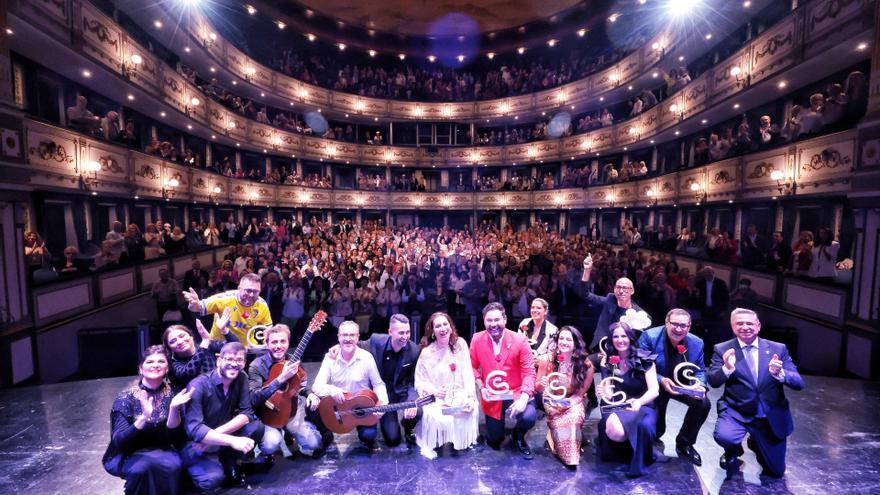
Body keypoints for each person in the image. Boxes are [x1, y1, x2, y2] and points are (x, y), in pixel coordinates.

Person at [709, 308, 804, 478]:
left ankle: (756, 442)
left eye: (749, 323)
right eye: (739, 323)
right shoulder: (722, 349)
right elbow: (713, 381)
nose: (745, 326)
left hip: (769, 416)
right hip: (737, 411)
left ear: (758, 326)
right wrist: (727, 368)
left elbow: (798, 383)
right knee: (725, 436)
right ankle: (733, 449)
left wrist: (780, 374)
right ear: (732, 326)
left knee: (775, 472)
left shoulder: (778, 349)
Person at [102, 346, 192, 495]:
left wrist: (174, 409)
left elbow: (177, 438)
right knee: (142, 468)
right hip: (131, 452)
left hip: (165, 449)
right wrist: (143, 418)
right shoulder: (126, 398)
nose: (155, 365)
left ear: (167, 368)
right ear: (141, 369)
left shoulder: (176, 393)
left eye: (161, 361)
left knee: (173, 466)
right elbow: (119, 442)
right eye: (150, 362)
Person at [181, 342, 265, 490]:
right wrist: (231, 440)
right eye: (229, 359)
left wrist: (217, 437)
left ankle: (229, 460)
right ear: (219, 360)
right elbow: (194, 430)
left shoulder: (242, 378)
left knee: (256, 427)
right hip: (197, 445)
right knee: (213, 481)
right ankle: (191, 472)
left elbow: (247, 413)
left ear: (244, 362)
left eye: (239, 360)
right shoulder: (198, 385)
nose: (234, 364)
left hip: (215, 438)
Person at [637, 309, 710, 466]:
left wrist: (700, 386)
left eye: (683, 325)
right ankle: (654, 439)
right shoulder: (649, 337)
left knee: (703, 404)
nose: (678, 329)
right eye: (675, 324)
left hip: (681, 386)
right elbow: (641, 365)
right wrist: (661, 380)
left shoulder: (697, 343)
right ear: (666, 322)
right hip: (655, 385)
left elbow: (700, 371)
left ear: (689, 326)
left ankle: (685, 443)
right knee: (657, 429)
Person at [305, 321, 389, 451]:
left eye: (352, 335)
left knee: (369, 435)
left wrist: (382, 403)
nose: (348, 339)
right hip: (337, 406)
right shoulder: (330, 358)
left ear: (358, 337)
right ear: (338, 337)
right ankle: (326, 434)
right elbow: (317, 385)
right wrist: (332, 390)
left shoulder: (367, 358)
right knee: (311, 405)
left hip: (360, 406)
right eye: (344, 335)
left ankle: (366, 437)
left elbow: (378, 384)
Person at [470, 302, 537, 459]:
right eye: (489, 320)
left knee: (529, 416)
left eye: (497, 320)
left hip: (516, 392)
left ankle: (518, 435)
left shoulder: (520, 340)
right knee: (494, 439)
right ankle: (497, 432)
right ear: (484, 321)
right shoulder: (476, 339)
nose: (493, 324)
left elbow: (529, 372)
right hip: (492, 395)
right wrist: (481, 387)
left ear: (505, 319)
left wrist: (524, 398)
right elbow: (471, 367)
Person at [595, 322, 660, 478]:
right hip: (617, 405)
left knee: (642, 425)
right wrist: (604, 392)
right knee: (614, 431)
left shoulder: (645, 358)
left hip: (642, 405)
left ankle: (637, 456)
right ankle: (625, 453)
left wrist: (639, 402)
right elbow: (610, 393)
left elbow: (654, 390)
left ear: (630, 337)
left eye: (623, 336)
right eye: (616, 336)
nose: (620, 340)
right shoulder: (609, 361)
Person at [248, 324, 322, 461]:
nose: (278, 346)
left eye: (283, 341)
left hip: (292, 412)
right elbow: (253, 398)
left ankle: (290, 433)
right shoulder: (257, 365)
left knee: (314, 443)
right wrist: (281, 378)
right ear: (267, 343)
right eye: (274, 342)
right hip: (269, 415)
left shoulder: (295, 361)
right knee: (270, 444)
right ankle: (270, 445)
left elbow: (298, 386)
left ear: (288, 342)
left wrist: (308, 393)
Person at [414, 312, 479, 459]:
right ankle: (439, 439)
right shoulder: (426, 353)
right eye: (438, 326)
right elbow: (420, 381)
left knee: (469, 409)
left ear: (451, 327)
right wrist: (436, 392)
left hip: (459, 396)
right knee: (440, 416)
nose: (442, 328)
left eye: (445, 324)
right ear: (432, 331)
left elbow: (468, 374)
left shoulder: (461, 344)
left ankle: (458, 441)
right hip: (438, 398)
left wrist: (469, 397)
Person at [535, 326, 594, 468]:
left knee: (573, 421)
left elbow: (580, 394)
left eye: (569, 339)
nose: (564, 342)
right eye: (561, 338)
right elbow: (537, 388)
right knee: (562, 437)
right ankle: (553, 433)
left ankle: (570, 440)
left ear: (576, 343)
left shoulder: (586, 364)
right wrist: (542, 384)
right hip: (551, 400)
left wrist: (568, 404)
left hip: (573, 400)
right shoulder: (547, 360)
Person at [182, 273, 272, 347]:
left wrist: (259, 346)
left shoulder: (262, 305)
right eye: (248, 290)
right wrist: (194, 303)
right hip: (218, 346)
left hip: (242, 349)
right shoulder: (224, 299)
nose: (252, 295)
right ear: (239, 288)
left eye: (256, 291)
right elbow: (198, 307)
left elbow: (266, 329)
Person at [580, 254, 647, 349]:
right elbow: (585, 295)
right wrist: (587, 270)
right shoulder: (609, 300)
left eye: (625, 288)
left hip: (624, 351)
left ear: (632, 291)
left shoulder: (639, 313)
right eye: (618, 287)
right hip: (601, 347)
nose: (621, 290)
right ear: (614, 289)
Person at [163, 310, 235, 390]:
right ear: (170, 347)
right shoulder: (174, 363)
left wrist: (224, 330)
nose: (179, 342)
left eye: (182, 336)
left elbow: (236, 347)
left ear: (191, 336)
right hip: (194, 399)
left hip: (218, 393)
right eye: (173, 341)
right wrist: (205, 341)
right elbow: (189, 371)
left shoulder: (208, 344)